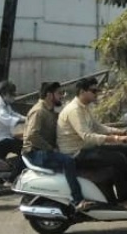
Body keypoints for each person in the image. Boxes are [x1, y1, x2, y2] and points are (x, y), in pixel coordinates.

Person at [57, 76, 127, 210]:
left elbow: (98, 127)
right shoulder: (74, 110)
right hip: (76, 153)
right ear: (82, 92)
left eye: (97, 90)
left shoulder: (84, 107)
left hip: (87, 149)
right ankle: (124, 200)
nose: (97, 94)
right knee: (119, 159)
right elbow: (87, 137)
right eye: (93, 91)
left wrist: (121, 132)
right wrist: (116, 138)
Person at [22, 82, 94, 212]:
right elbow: (32, 135)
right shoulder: (39, 111)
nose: (62, 96)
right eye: (59, 93)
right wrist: (51, 148)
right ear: (49, 95)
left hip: (43, 150)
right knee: (68, 161)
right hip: (35, 153)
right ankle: (77, 200)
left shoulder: (49, 111)